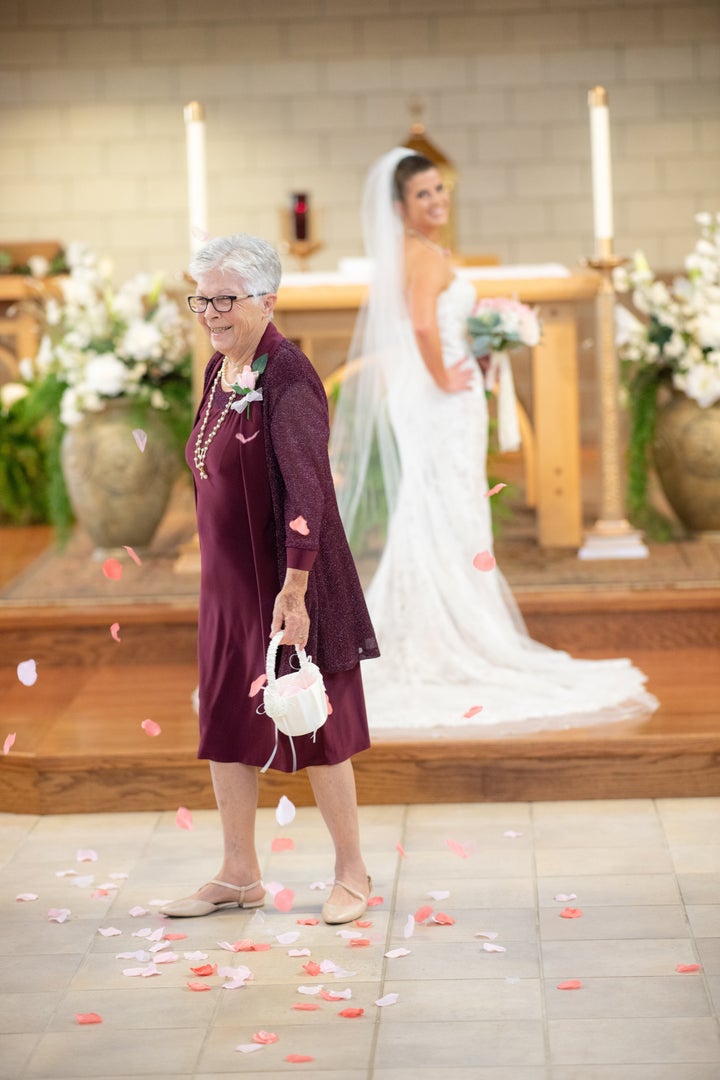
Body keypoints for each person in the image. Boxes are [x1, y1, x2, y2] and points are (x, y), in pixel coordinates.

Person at [330, 148, 657, 733]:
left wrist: (476, 350)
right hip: (437, 398)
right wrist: (444, 375)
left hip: (432, 395)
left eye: (440, 189)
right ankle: (444, 635)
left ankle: (432, 628)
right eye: (423, 194)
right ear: (400, 206)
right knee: (446, 503)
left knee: (433, 505)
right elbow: (426, 324)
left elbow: (429, 324)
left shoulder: (412, 253)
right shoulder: (424, 257)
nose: (437, 200)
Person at [161, 234, 378, 925]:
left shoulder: (288, 375)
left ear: (266, 300)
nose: (211, 312)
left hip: (290, 582)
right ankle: (238, 873)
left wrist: (295, 589)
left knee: (317, 722)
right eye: (202, 298)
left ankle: (353, 872)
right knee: (226, 720)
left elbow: (309, 490)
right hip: (228, 586)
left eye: (225, 298)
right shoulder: (218, 371)